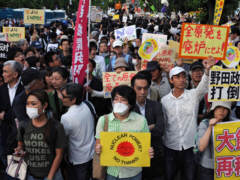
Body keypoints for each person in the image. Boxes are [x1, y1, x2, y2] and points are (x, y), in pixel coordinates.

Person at [161, 58, 215, 180]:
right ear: (171, 80)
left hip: (190, 146)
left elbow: (204, 86)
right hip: (170, 146)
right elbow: (164, 123)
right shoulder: (164, 100)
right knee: (170, 176)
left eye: (183, 77)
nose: (181, 80)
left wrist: (207, 71)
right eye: (177, 77)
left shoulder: (193, 95)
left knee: (189, 177)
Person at [95, 85, 154, 180]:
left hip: (134, 172)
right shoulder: (103, 120)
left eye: (123, 100)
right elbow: (98, 144)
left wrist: (149, 151)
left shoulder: (141, 120)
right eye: (116, 99)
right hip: (112, 173)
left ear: (130, 103)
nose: (118, 103)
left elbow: (145, 145)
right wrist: (98, 149)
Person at [15, 89, 66, 180]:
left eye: (33, 104)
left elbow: (59, 155)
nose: (29, 107)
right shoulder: (23, 125)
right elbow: (20, 145)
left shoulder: (56, 127)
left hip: (51, 175)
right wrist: (19, 151)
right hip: (29, 175)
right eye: (27, 104)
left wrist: (50, 177)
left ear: (44, 105)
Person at [131, 71, 165, 180]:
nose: (142, 92)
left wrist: (138, 132)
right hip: (134, 156)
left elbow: (160, 130)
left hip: (155, 156)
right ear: (133, 88)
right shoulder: (128, 108)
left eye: (145, 88)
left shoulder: (156, 106)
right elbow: (127, 132)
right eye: (139, 88)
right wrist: (150, 127)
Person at [60, 83, 95, 180]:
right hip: (92, 153)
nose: (61, 98)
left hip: (77, 159)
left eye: (63, 96)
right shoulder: (89, 104)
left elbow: (63, 137)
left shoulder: (66, 117)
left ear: (73, 99)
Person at [0, 61, 23, 178]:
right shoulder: (2, 89)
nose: (3, 74)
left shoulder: (24, 89)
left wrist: (6, 115)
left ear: (15, 74)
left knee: (20, 168)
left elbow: (19, 112)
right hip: (5, 133)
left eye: (5, 72)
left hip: (20, 134)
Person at [197, 101, 232, 180]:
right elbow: (201, 147)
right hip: (208, 168)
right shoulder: (205, 123)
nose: (222, 111)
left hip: (226, 167)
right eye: (219, 107)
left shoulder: (232, 123)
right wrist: (210, 127)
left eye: (225, 108)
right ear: (214, 109)